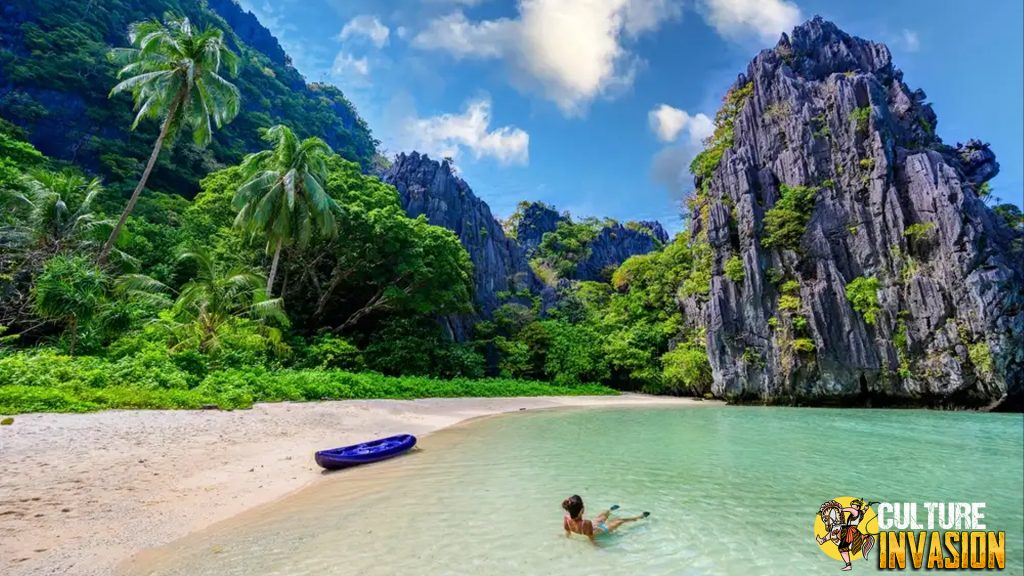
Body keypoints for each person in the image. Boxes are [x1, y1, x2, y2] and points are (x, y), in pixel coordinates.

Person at [562, 495, 649, 543]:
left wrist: (566, 539)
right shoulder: (586, 523)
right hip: (595, 531)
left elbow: (567, 532)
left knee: (602, 517)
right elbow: (592, 539)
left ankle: (610, 510)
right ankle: (639, 517)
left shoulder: (566, 518)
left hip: (588, 527)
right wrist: (599, 549)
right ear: (582, 509)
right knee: (620, 521)